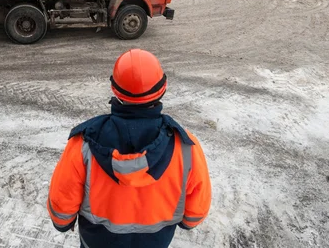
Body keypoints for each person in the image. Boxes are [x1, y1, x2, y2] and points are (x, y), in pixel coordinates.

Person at [47, 49, 212, 248]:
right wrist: (184, 222)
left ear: (114, 89)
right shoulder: (186, 147)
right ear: (163, 88)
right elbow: (196, 212)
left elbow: (62, 204)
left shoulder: (84, 144)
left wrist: (63, 224)